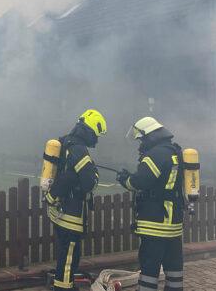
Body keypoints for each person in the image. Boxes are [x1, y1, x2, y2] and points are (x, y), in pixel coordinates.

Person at [117, 117, 184, 291]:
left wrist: (124, 180)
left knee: (149, 267)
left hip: (155, 221)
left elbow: (140, 182)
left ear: (149, 136)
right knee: (174, 268)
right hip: (174, 222)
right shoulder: (174, 151)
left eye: (141, 139)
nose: (140, 143)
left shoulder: (155, 154)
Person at [44, 109, 104, 290]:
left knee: (68, 252)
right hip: (71, 212)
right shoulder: (78, 148)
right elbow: (88, 182)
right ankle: (63, 288)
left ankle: (65, 285)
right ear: (90, 131)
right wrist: (94, 173)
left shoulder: (66, 142)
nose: (96, 139)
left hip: (61, 209)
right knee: (69, 256)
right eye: (96, 134)